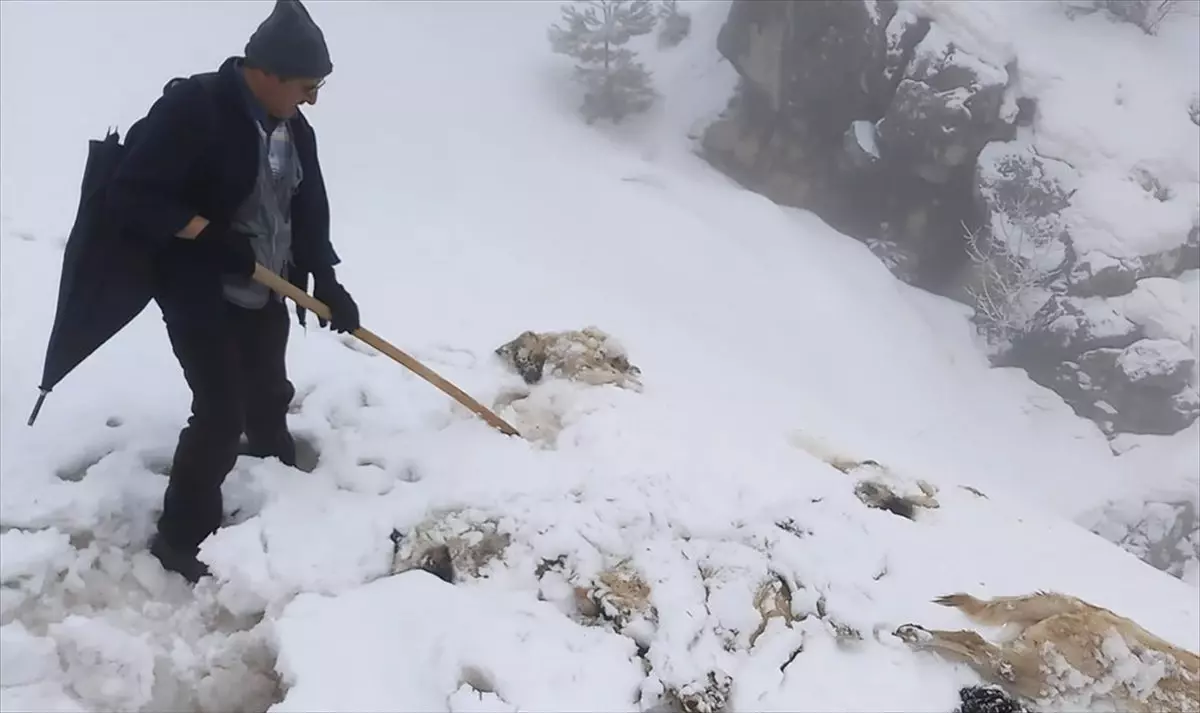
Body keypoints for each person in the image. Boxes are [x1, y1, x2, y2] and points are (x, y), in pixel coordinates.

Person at [107, 0, 360, 583]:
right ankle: (179, 538)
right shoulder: (195, 109)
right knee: (220, 413)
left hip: (267, 284)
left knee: (269, 388)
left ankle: (275, 470)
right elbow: (132, 194)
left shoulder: (294, 128)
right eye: (307, 85)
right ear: (266, 72)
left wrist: (326, 275)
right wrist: (205, 235)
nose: (313, 98)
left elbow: (306, 206)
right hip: (198, 288)